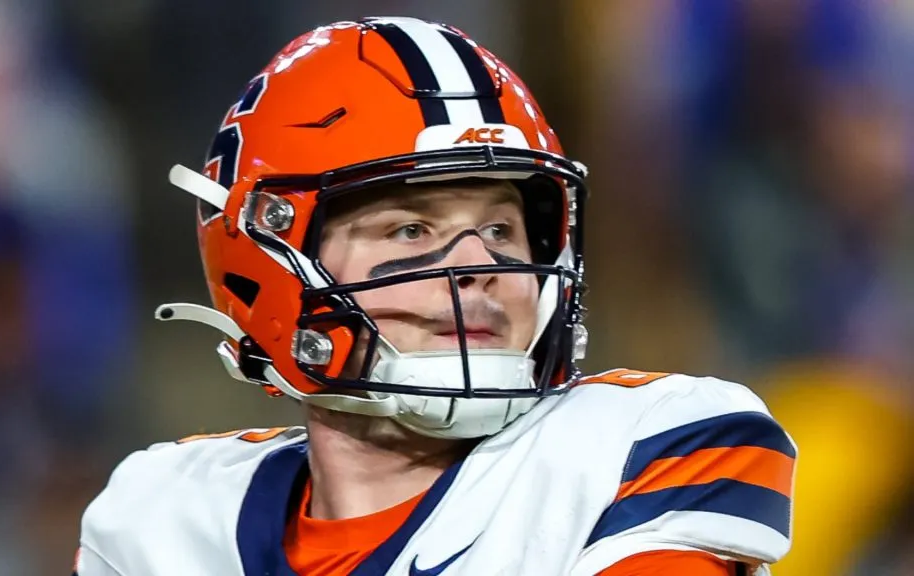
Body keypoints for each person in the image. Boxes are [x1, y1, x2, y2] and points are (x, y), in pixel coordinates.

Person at [74, 17, 796, 576]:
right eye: (412, 228)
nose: (480, 264)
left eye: (502, 229)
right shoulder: (159, 521)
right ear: (270, 257)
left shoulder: (646, 452)